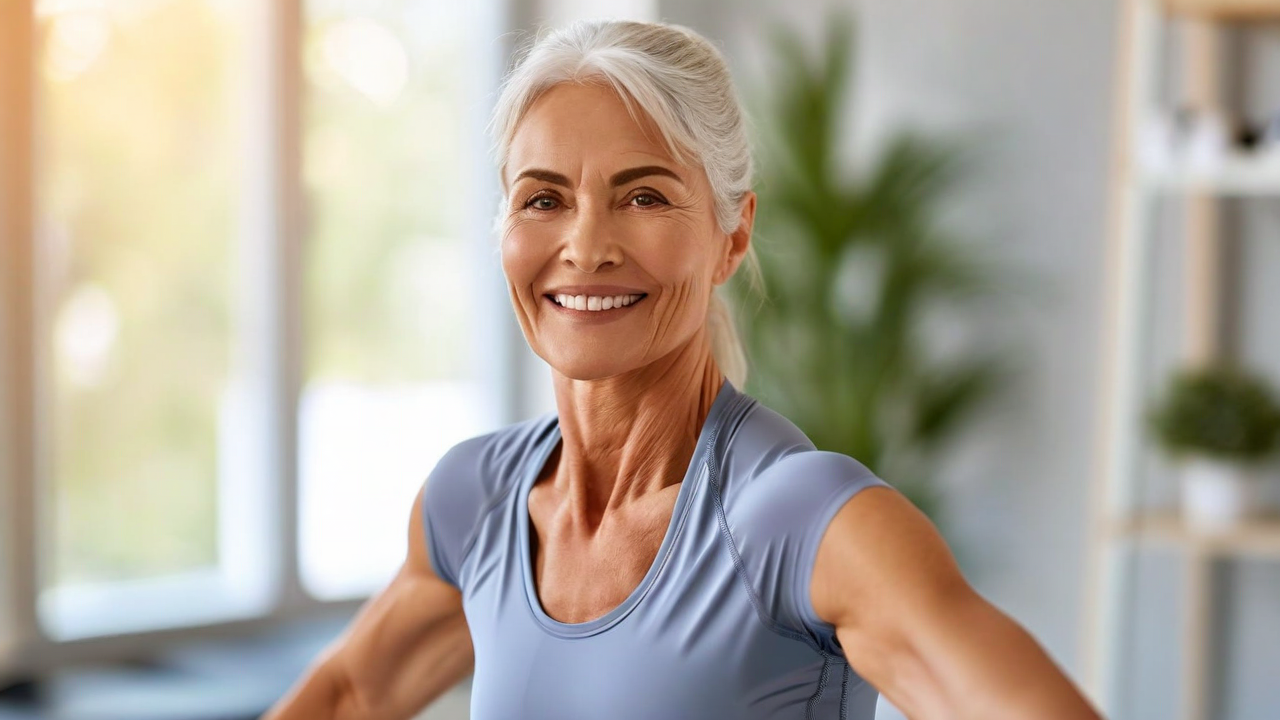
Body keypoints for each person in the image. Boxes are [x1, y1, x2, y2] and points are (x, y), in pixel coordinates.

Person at [264, 19, 1104, 720]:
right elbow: (350, 694)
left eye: (645, 197)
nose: (585, 248)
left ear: (732, 236)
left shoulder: (797, 520)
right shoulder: (474, 501)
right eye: (543, 198)